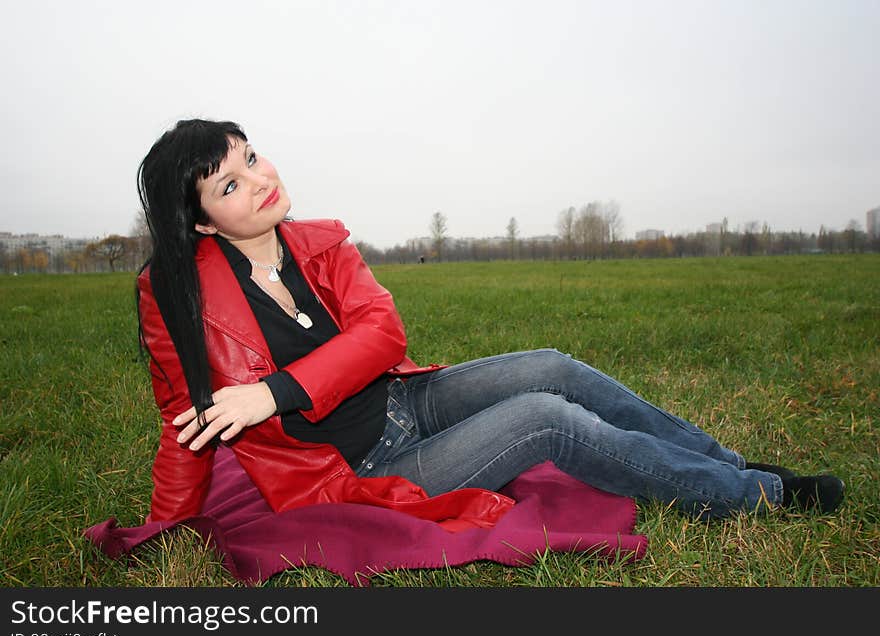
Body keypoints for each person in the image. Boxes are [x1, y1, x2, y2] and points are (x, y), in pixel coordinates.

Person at [135, 118, 844, 528]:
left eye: (251, 157)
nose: (260, 180)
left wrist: (275, 390)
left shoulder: (320, 239)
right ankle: (759, 496)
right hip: (363, 466)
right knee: (547, 417)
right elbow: (184, 423)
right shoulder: (176, 297)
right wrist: (164, 526)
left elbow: (383, 336)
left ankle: (731, 461)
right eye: (230, 183)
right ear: (199, 220)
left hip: (404, 398)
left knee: (555, 366)